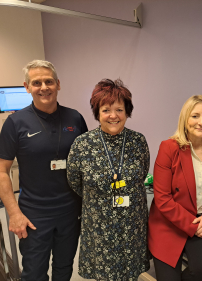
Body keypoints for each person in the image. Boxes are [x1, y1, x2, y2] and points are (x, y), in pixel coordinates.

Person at [0, 60, 88, 281]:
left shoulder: (75, 118)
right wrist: (14, 214)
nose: (43, 87)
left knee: (64, 270)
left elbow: (87, 162)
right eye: (37, 83)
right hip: (34, 215)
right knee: (34, 274)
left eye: (49, 81)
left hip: (70, 212)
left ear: (58, 84)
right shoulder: (15, 123)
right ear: (27, 87)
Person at [67, 78, 150, 280]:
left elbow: (141, 174)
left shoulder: (138, 141)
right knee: (103, 275)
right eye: (106, 110)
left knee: (130, 275)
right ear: (97, 113)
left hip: (132, 223)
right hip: (98, 224)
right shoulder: (83, 144)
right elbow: (74, 181)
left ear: (127, 112)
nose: (113, 116)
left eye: (119, 110)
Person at [148, 95, 202, 281]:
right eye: (195, 116)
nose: (201, 122)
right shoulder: (169, 148)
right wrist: (196, 228)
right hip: (169, 223)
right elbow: (163, 198)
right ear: (185, 120)